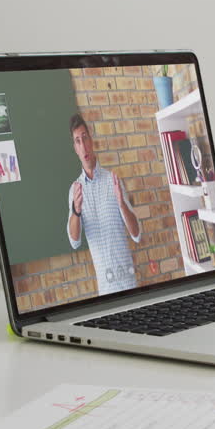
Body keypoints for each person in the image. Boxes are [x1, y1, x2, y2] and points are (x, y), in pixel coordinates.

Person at [66, 113, 141, 294]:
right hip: (105, 289)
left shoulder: (113, 181)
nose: (83, 146)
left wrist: (122, 204)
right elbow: (74, 242)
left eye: (85, 138)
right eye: (77, 141)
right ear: (75, 148)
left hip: (128, 283)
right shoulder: (75, 190)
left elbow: (137, 235)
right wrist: (76, 211)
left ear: (91, 140)